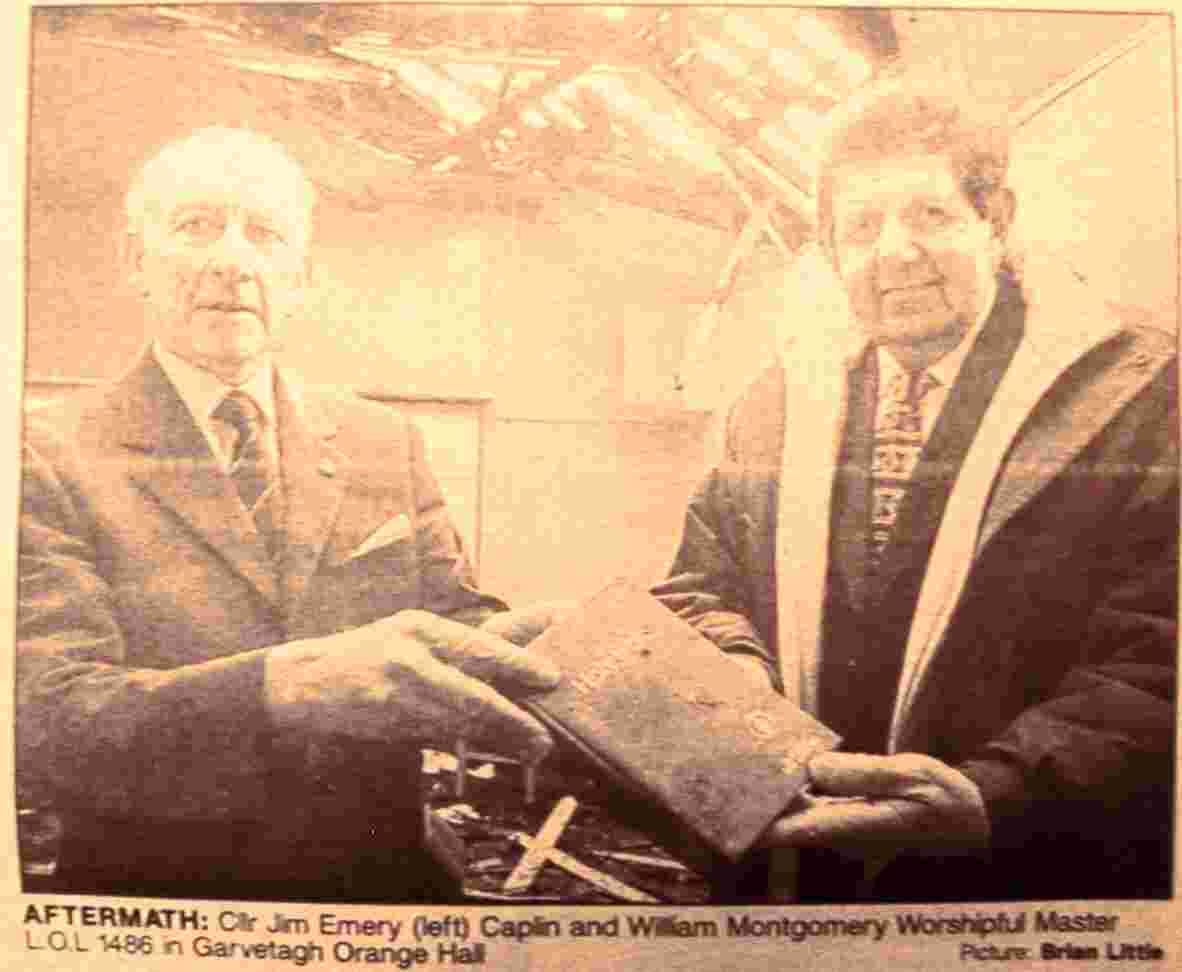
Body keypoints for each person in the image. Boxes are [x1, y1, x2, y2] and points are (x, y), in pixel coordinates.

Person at [653, 79, 1177, 902]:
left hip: (1022, 872)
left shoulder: (1133, 393)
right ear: (830, 253)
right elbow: (700, 584)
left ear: (995, 222)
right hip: (801, 864)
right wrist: (733, 679)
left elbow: (1158, 656)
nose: (896, 251)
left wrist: (989, 797)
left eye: (930, 215)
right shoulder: (775, 403)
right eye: (861, 227)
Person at [16, 128, 559, 903]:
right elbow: (45, 719)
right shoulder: (43, 450)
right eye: (197, 225)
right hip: (164, 907)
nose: (233, 260)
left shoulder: (383, 440)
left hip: (378, 896)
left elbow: (455, 620)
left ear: (299, 276)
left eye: (264, 234)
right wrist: (284, 684)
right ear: (136, 261)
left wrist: (544, 648)